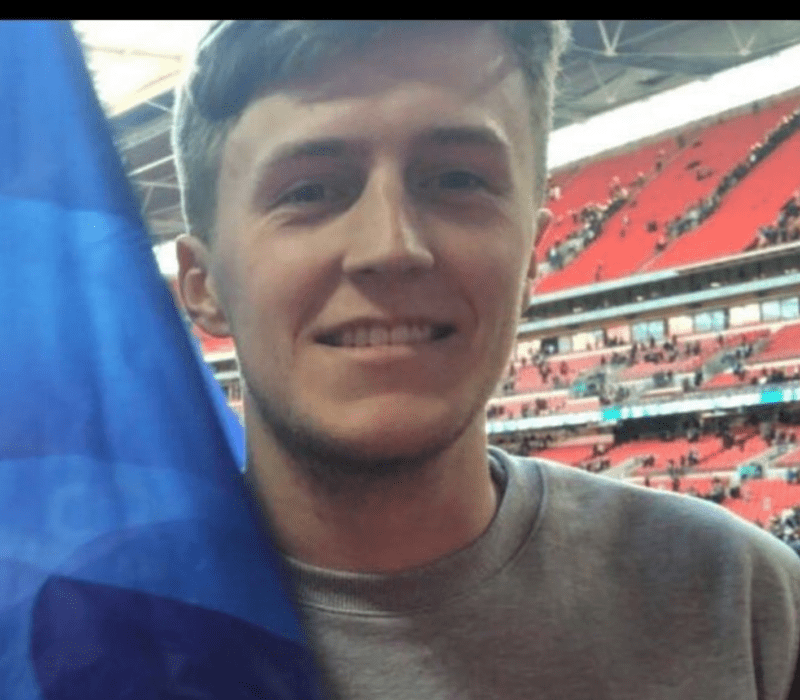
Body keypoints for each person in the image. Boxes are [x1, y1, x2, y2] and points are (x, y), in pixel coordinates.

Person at [172, 20, 800, 700]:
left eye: (457, 179)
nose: (391, 246)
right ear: (202, 286)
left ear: (531, 254)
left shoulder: (744, 601)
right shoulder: (86, 630)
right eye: (310, 192)